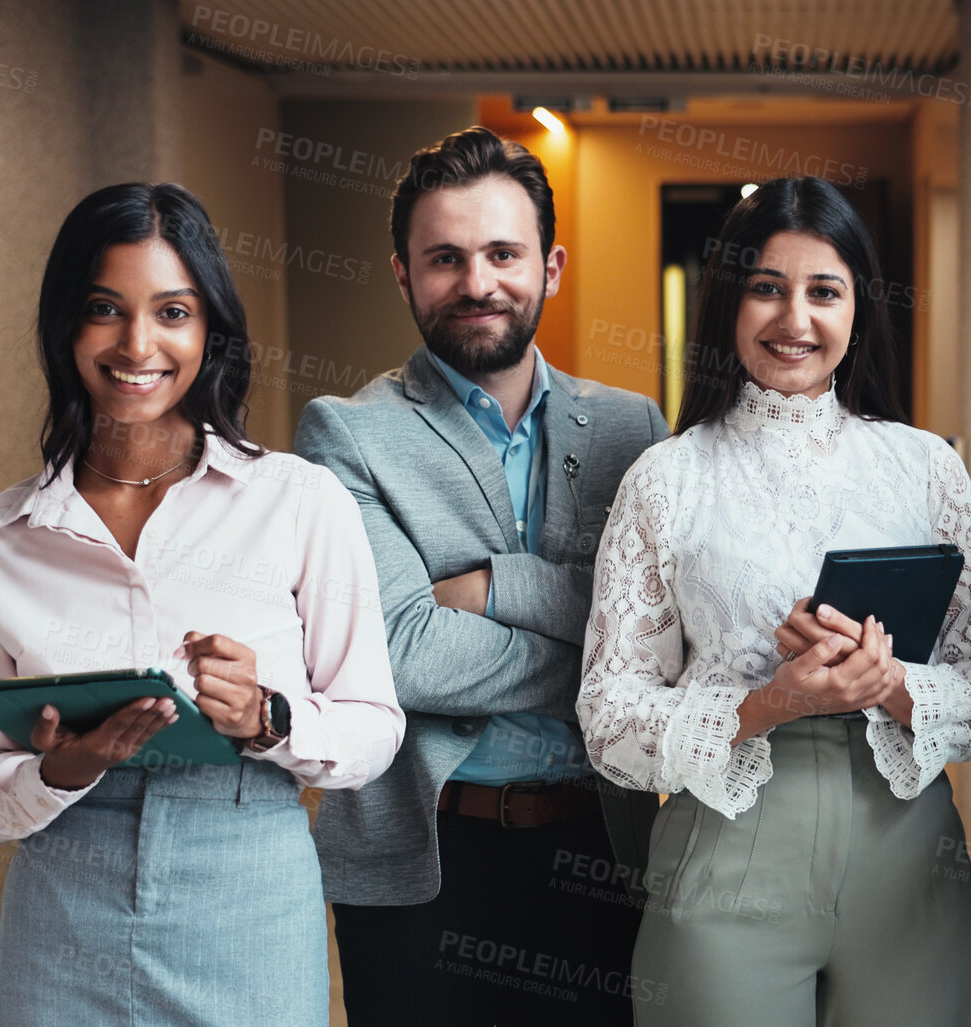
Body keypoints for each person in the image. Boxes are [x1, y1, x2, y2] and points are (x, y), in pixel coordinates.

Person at [0, 182, 404, 1026]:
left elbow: (374, 725)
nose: (137, 343)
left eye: (173, 311)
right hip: (61, 900)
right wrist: (62, 768)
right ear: (65, 326)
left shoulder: (299, 501)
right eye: (104, 308)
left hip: (248, 889)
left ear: (209, 329)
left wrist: (268, 715)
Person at [578, 175, 971, 1025]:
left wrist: (890, 684)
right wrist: (765, 703)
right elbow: (608, 714)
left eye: (824, 291)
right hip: (727, 855)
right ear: (727, 304)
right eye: (766, 289)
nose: (795, 319)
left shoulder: (926, 465)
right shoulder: (666, 478)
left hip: (908, 863)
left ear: (858, 310)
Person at [293, 126, 665, 1026]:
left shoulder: (632, 428)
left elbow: (665, 639)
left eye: (503, 252)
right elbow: (402, 650)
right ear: (402, 272)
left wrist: (495, 587)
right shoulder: (345, 434)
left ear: (552, 266)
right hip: (423, 865)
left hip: (603, 850)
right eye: (445, 258)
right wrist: (602, 647)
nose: (476, 282)